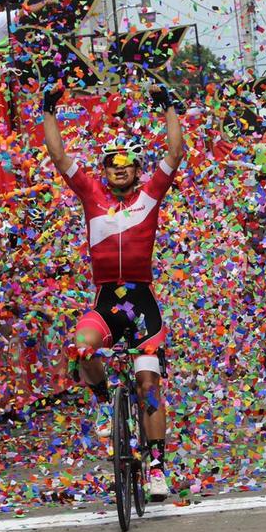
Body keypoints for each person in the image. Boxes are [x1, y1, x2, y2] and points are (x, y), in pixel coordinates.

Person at [43, 83, 185, 500]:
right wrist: (49, 110)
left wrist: (170, 108)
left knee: (148, 382)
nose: (119, 169)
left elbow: (174, 153)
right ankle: (107, 400)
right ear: (103, 170)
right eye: (111, 164)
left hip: (142, 305)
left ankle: (157, 466)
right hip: (106, 302)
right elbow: (58, 156)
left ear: (137, 169)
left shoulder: (150, 195)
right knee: (81, 346)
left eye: (126, 163)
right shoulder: (91, 195)